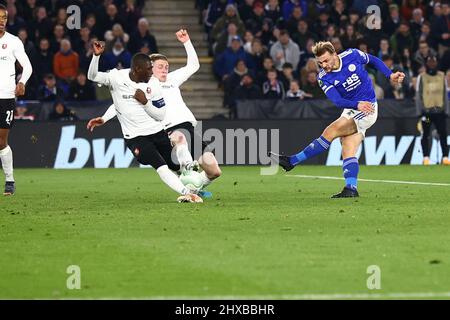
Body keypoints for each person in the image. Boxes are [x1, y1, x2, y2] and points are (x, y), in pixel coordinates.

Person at [88, 29, 222, 198]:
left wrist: (187, 42)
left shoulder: (172, 80)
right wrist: (105, 118)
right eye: (159, 67)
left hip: (189, 128)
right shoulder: (144, 85)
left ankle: (194, 187)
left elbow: (194, 65)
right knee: (178, 141)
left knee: (214, 171)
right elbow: (119, 104)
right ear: (148, 67)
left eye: (166, 67)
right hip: (167, 129)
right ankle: (189, 177)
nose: (164, 70)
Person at [270, 41, 405, 198]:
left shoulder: (352, 55)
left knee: (331, 131)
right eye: (320, 63)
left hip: (368, 108)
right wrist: (356, 104)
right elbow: (338, 101)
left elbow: (373, 60)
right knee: (347, 147)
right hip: (352, 108)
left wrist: (390, 74)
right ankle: (351, 188)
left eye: (326, 60)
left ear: (335, 54)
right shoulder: (323, 78)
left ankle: (292, 161)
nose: (324, 65)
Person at [0, 4, 33, 195]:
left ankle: (9, 180)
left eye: (4, 17)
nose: (2, 20)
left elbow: (27, 66)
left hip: (5, 97)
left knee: (1, 141)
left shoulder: (13, 41)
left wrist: (22, 82)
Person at [415, 55, 450, 165]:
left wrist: (446, 110)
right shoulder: (422, 77)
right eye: (430, 62)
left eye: (433, 62)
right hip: (428, 113)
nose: (432, 64)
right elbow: (418, 94)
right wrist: (420, 112)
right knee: (426, 134)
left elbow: (445, 94)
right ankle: (426, 157)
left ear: (436, 63)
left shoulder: (441, 76)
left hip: (439, 112)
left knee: (443, 134)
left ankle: (445, 157)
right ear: (426, 64)